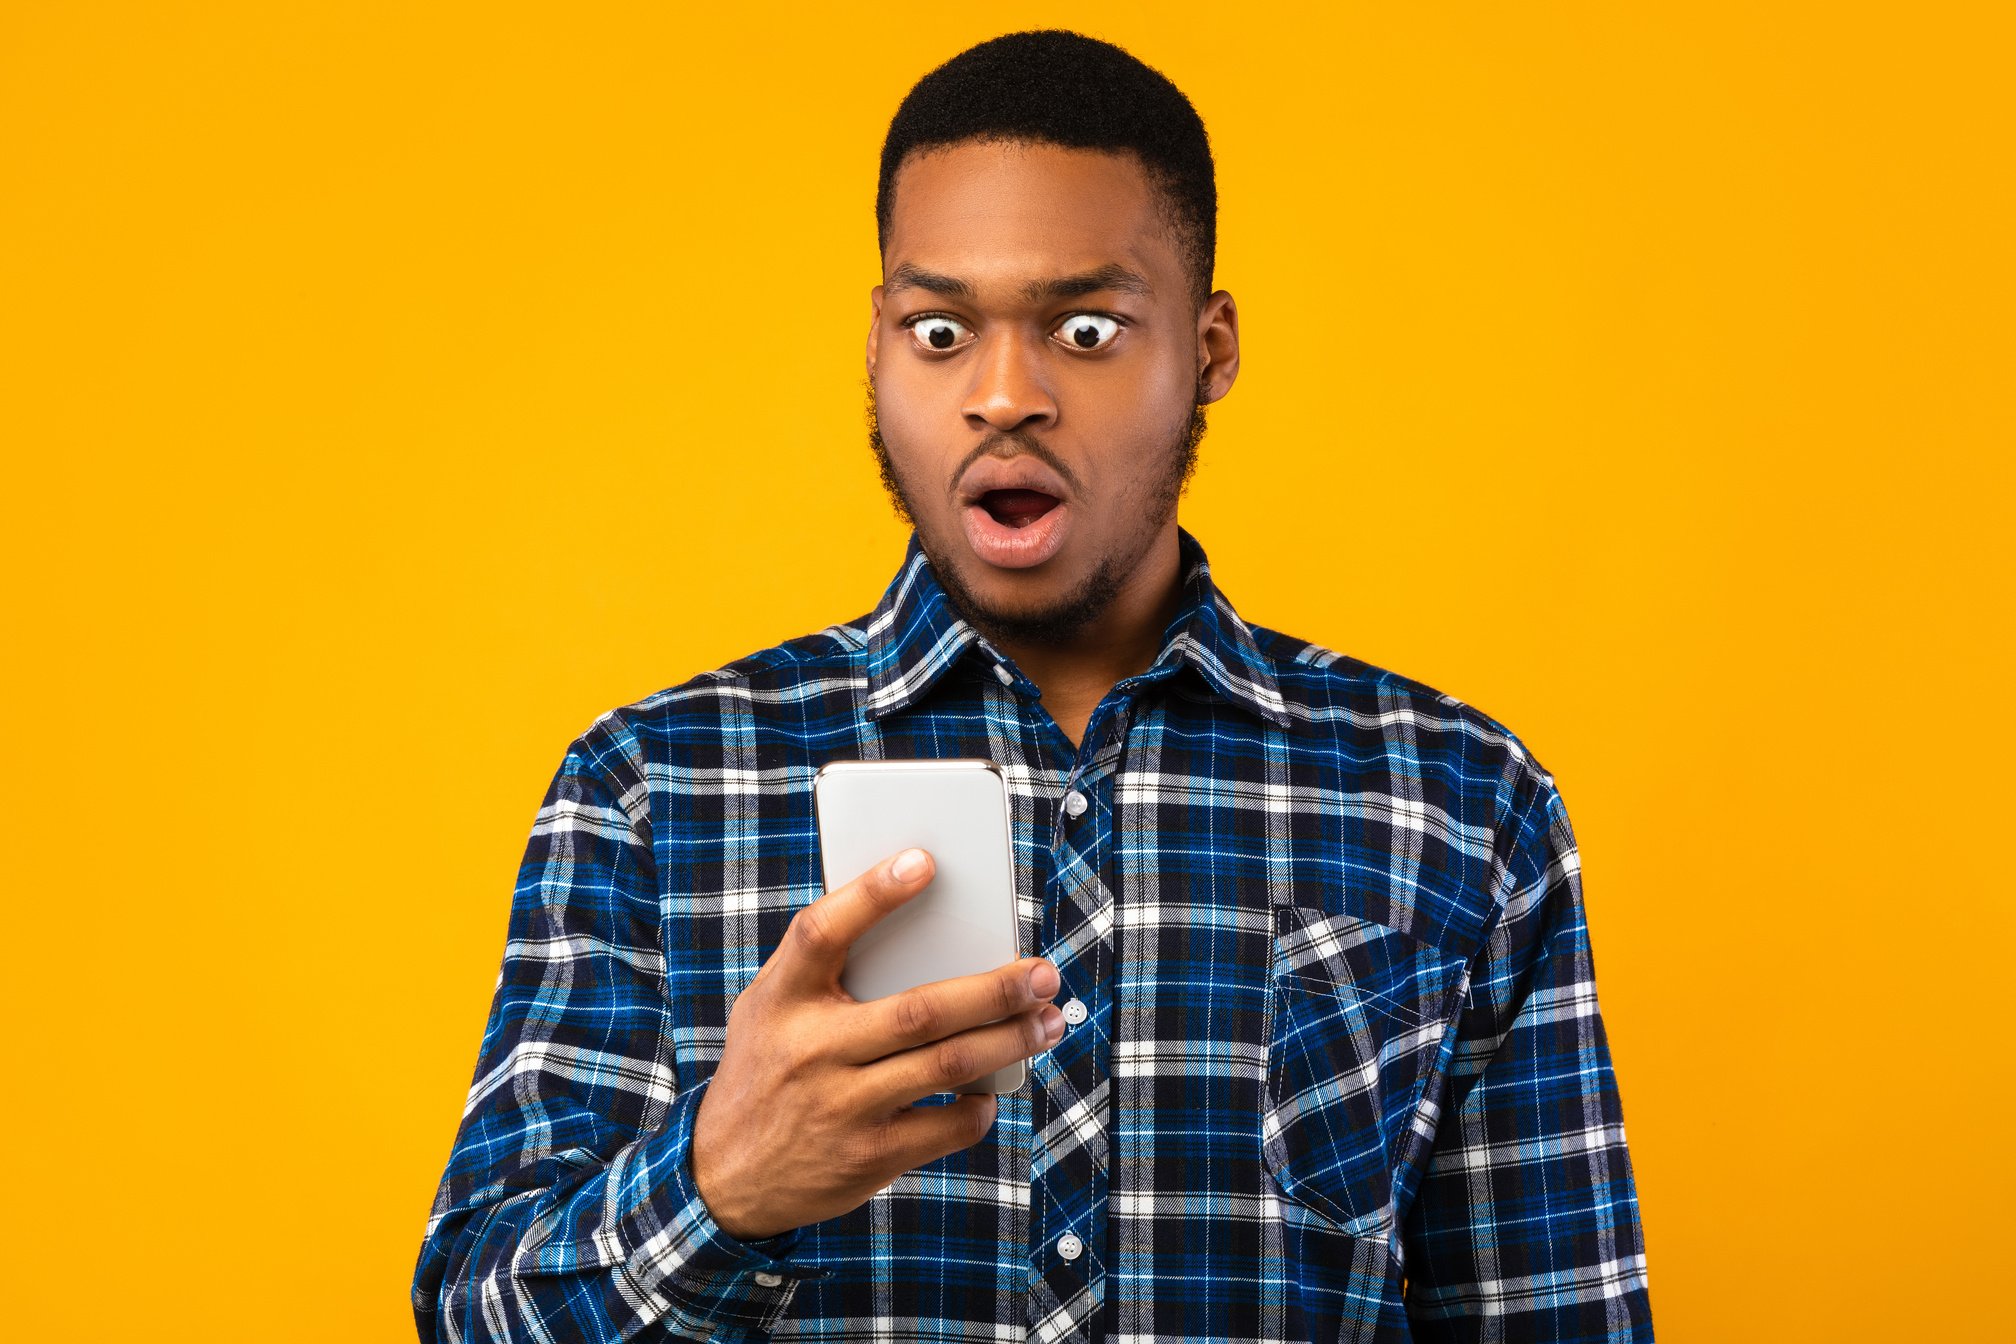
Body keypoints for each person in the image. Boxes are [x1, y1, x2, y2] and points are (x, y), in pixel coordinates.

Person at [412, 28, 1652, 1344]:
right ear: (878, 347)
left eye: (1086, 328)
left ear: (1211, 347)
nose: (1005, 395)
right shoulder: (653, 794)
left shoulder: (1462, 803)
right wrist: (720, 1189)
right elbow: (477, 1311)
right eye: (940, 330)